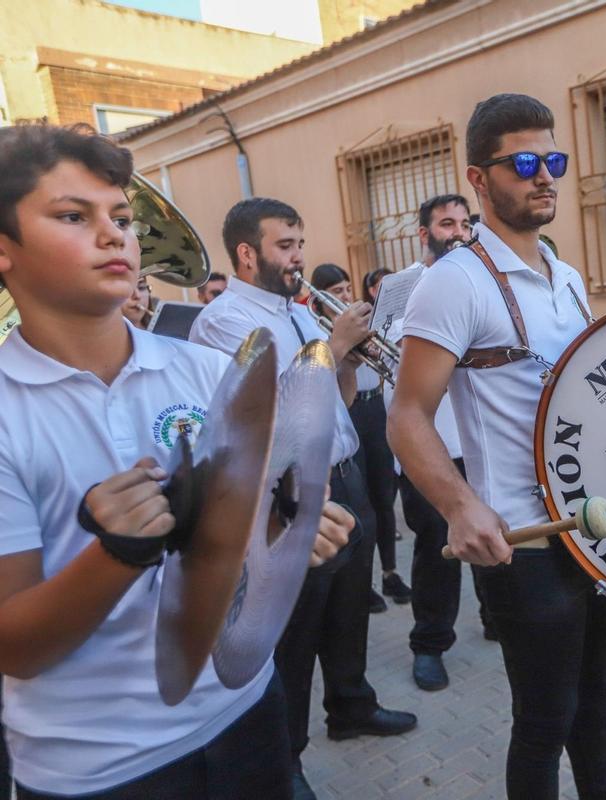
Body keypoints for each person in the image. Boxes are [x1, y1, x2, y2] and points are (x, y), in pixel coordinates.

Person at [0, 123, 352, 798]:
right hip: (102, 765)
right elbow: (14, 646)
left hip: (244, 708)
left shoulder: (208, 368)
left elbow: (253, 531)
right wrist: (117, 554)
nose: (115, 236)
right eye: (74, 216)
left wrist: (291, 526)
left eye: (123, 218)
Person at [389, 93, 606, 799]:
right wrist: (461, 506)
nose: (544, 175)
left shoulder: (570, 277)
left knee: (596, 699)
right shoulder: (452, 282)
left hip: (599, 527)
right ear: (478, 178)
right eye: (523, 162)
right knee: (545, 718)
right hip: (523, 537)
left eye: (552, 159)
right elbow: (406, 416)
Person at [190, 198, 417, 800]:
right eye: (284, 246)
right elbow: (265, 408)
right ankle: (283, 756)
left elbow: (331, 401)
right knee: (294, 627)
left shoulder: (302, 312)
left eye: (298, 243)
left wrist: (352, 361)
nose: (297, 257)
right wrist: (336, 347)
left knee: (346, 607)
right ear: (247, 253)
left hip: (341, 475)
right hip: (285, 489)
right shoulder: (223, 321)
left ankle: (351, 703)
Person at [381, 193, 493, 693]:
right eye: (447, 224)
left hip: (480, 442)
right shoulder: (401, 287)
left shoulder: (482, 279)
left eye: (465, 223)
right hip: (431, 446)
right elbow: (390, 367)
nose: (459, 231)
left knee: (498, 535)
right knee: (436, 552)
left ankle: (498, 619)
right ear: (424, 233)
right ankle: (430, 644)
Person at [309, 263, 411, 614]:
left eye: (346, 289)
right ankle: (363, 583)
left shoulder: (358, 322)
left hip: (374, 408)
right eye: (336, 292)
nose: (344, 296)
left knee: (384, 498)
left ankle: (390, 570)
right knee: (363, 496)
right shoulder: (322, 332)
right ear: (320, 300)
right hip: (348, 414)